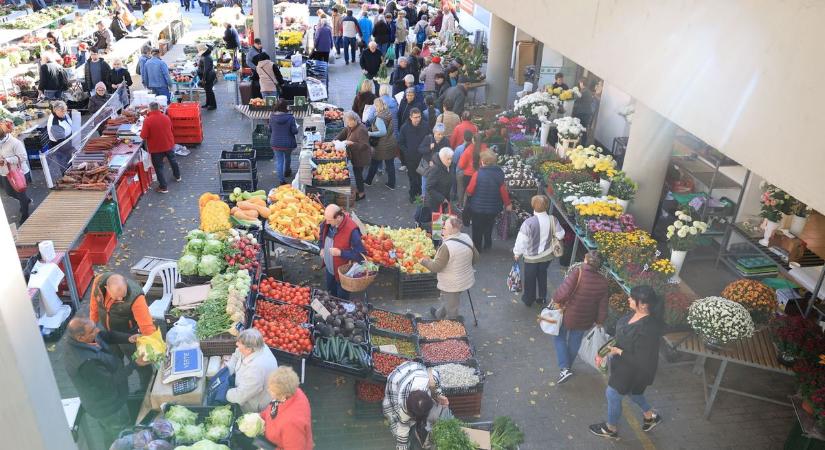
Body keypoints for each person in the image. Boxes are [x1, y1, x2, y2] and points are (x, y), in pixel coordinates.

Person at [590, 285, 664, 439]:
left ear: (643, 304)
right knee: (633, 393)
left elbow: (642, 359)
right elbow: (622, 336)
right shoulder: (634, 314)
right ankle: (650, 417)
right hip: (623, 364)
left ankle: (610, 429)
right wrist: (604, 352)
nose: (628, 299)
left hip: (635, 370)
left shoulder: (649, 328)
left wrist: (618, 351)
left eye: (632, 298)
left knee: (612, 393)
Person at [64, 318, 147, 448]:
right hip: (109, 407)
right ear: (80, 338)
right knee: (121, 434)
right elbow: (111, 381)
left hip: (109, 399)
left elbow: (106, 335)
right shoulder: (86, 363)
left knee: (109, 434)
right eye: (92, 330)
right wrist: (134, 364)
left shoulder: (85, 338)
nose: (97, 330)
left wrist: (129, 337)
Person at [88, 272, 156, 387]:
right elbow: (94, 306)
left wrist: (151, 347)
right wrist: (91, 327)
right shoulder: (98, 282)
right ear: (106, 288)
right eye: (117, 296)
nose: (120, 298)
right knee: (114, 365)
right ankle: (122, 391)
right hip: (109, 336)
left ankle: (145, 392)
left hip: (129, 336)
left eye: (123, 295)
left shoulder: (136, 297)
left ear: (125, 283)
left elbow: (147, 326)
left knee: (142, 367)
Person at [551, 251, 608, 383]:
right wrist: (600, 321)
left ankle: (564, 368)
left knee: (558, 336)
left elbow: (563, 292)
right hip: (586, 319)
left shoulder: (578, 272)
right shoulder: (603, 282)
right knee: (574, 342)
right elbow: (603, 305)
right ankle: (567, 367)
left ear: (586, 260)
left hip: (569, 314)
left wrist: (555, 299)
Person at [384, 361, 449, 450]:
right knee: (399, 422)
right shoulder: (403, 403)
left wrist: (439, 395)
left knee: (423, 419)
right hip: (397, 378)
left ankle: (418, 430)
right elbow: (402, 428)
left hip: (415, 367)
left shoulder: (431, 380)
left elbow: (435, 383)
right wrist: (402, 447)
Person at [513, 195, 565, 306]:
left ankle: (529, 299)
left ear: (533, 206)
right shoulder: (553, 219)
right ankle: (542, 297)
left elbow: (521, 241)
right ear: (546, 206)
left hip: (531, 258)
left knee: (530, 278)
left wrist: (517, 253)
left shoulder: (528, 223)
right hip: (547, 256)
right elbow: (561, 235)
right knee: (542, 275)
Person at [422, 216, 478, 319]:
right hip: (465, 278)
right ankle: (439, 314)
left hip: (451, 283)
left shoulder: (447, 247)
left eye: (444, 228)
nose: (442, 229)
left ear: (452, 230)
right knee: (449, 300)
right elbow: (476, 258)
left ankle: (452, 327)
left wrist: (423, 261)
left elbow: (435, 267)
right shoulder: (466, 237)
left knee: (452, 308)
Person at [465, 151, 512, 250]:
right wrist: (507, 203)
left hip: (477, 208)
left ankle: (477, 248)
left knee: (477, 228)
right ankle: (487, 244)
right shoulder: (500, 173)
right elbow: (503, 191)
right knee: (489, 226)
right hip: (493, 208)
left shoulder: (478, 174)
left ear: (482, 161)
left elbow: (469, 190)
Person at [226, 329, 279, 413]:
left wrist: (225, 393)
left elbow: (242, 395)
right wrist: (227, 370)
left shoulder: (257, 368)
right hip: (246, 387)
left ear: (249, 349)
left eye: (239, 343)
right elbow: (236, 355)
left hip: (255, 402)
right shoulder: (257, 345)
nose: (236, 344)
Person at [319, 204, 366, 299]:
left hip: (342, 273)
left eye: (329, 220)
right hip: (329, 269)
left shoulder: (352, 230)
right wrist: (322, 248)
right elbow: (321, 236)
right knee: (331, 293)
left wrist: (341, 253)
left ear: (339, 217)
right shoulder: (327, 223)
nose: (326, 222)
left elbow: (360, 255)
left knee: (342, 298)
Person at [260, 366, 313, 449]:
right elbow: (273, 408)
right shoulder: (293, 391)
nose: (268, 390)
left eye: (272, 390)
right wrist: (260, 416)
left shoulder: (292, 423)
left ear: (283, 395)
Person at [140, 102, 180, 193]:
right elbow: (171, 129)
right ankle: (178, 176)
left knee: (159, 167)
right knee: (173, 160)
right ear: (159, 108)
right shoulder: (166, 117)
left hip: (156, 148)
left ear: (149, 109)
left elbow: (143, 136)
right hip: (169, 144)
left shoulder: (148, 120)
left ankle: (163, 187)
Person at [337, 111, 371, 201]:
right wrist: (334, 141)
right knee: (357, 173)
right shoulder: (350, 127)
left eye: (349, 121)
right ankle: (359, 190)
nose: (348, 123)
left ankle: (361, 193)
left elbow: (364, 145)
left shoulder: (361, 130)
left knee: (358, 174)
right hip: (355, 155)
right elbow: (342, 134)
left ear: (355, 120)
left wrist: (352, 143)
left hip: (361, 156)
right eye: (347, 121)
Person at [0, 128, 31, 224]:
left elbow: (23, 157)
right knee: (9, 192)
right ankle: (26, 200)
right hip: (4, 172)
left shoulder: (15, 142)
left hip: (18, 173)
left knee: (21, 195)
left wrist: (7, 160)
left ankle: (25, 215)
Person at [365, 97, 397, 190]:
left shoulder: (380, 118)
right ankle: (391, 184)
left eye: (374, 105)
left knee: (374, 162)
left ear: (377, 106)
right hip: (390, 142)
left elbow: (382, 132)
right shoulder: (387, 112)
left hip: (381, 145)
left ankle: (368, 181)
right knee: (390, 164)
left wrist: (370, 133)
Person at [398, 107, 427, 203]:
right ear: (410, 117)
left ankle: (420, 194)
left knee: (421, 178)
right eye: (415, 117)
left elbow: (430, 138)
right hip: (410, 159)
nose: (417, 119)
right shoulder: (405, 128)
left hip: (423, 158)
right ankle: (413, 195)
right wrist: (407, 152)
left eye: (419, 117)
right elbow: (400, 143)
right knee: (412, 178)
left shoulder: (425, 126)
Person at [269, 100, 299, 185]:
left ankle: (281, 180)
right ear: (285, 107)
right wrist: (296, 128)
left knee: (279, 161)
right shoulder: (290, 118)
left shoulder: (272, 117)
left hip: (275, 143)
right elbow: (294, 131)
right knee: (288, 157)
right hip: (288, 143)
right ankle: (287, 171)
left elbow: (270, 130)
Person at [572, 79, 598, 143]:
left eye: (580, 83)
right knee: (582, 128)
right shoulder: (586, 91)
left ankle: (582, 144)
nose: (579, 84)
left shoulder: (585, 91)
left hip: (582, 114)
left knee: (582, 129)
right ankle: (581, 143)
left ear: (582, 83)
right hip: (585, 113)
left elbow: (578, 98)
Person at [451, 129, 473, 205]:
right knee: (469, 189)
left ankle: (460, 204)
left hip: (460, 172)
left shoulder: (459, 148)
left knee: (460, 188)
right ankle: (466, 204)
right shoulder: (474, 148)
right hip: (471, 172)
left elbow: (454, 161)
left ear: (463, 138)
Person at [197, 43, 217, 110]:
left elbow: (206, 70)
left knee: (209, 91)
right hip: (209, 75)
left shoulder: (207, 57)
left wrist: (203, 79)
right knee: (207, 90)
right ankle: (208, 103)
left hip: (209, 76)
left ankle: (213, 105)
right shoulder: (206, 56)